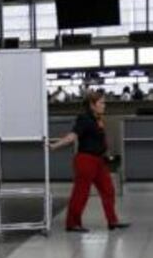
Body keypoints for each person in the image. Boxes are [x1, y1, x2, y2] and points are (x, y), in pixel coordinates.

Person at [50, 91, 130, 232]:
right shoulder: (84, 119)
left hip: (98, 161)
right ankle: (72, 223)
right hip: (85, 161)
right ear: (92, 105)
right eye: (101, 103)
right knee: (81, 193)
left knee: (108, 190)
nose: (104, 105)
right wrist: (55, 145)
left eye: (104, 103)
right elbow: (72, 136)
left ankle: (112, 221)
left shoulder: (98, 118)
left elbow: (99, 139)